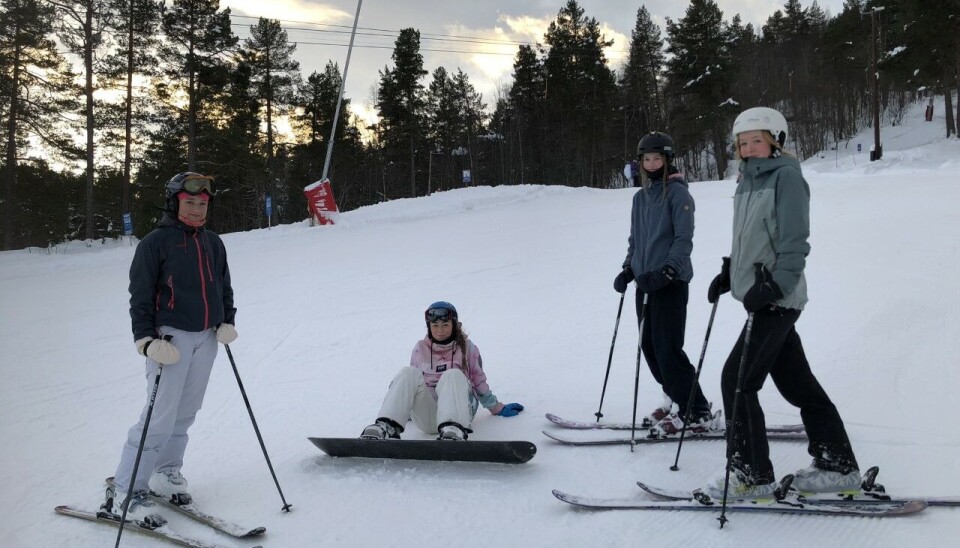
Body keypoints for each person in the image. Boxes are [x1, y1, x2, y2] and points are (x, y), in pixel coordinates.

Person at [701, 107, 859, 500]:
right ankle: (837, 465)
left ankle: (752, 475)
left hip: (777, 299)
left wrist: (774, 288)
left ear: (776, 140)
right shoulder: (746, 181)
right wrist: (731, 273)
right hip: (760, 296)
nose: (750, 147)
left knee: (736, 380)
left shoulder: (786, 178)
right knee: (798, 385)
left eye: (757, 140)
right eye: (743, 142)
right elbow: (752, 238)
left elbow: (793, 243)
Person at [102, 172, 237, 524]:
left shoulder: (213, 242)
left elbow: (223, 286)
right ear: (174, 202)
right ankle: (127, 488)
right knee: (159, 416)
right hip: (169, 341)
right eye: (189, 202)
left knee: (186, 412)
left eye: (202, 203)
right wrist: (146, 340)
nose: (196, 209)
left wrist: (227, 320)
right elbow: (140, 297)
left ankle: (166, 471)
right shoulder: (155, 243)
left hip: (206, 337)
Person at [613, 132, 715, 436]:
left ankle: (697, 411)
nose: (653, 163)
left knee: (668, 349)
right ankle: (675, 397)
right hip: (645, 283)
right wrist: (628, 268)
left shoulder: (679, 195)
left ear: (667, 160)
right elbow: (636, 240)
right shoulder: (639, 198)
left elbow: (684, 239)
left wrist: (669, 270)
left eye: (658, 158)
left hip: (670, 283)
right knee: (650, 347)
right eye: (647, 159)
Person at [360, 301, 524, 441]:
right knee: (408, 372)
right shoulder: (420, 348)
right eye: (435, 325)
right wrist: (402, 409)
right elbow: (411, 384)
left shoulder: (467, 348)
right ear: (429, 326)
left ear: (454, 325)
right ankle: (386, 426)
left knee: (452, 375)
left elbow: (478, 380)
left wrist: (496, 407)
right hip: (428, 417)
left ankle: (454, 429)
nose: (440, 330)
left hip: (461, 414)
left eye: (445, 325)